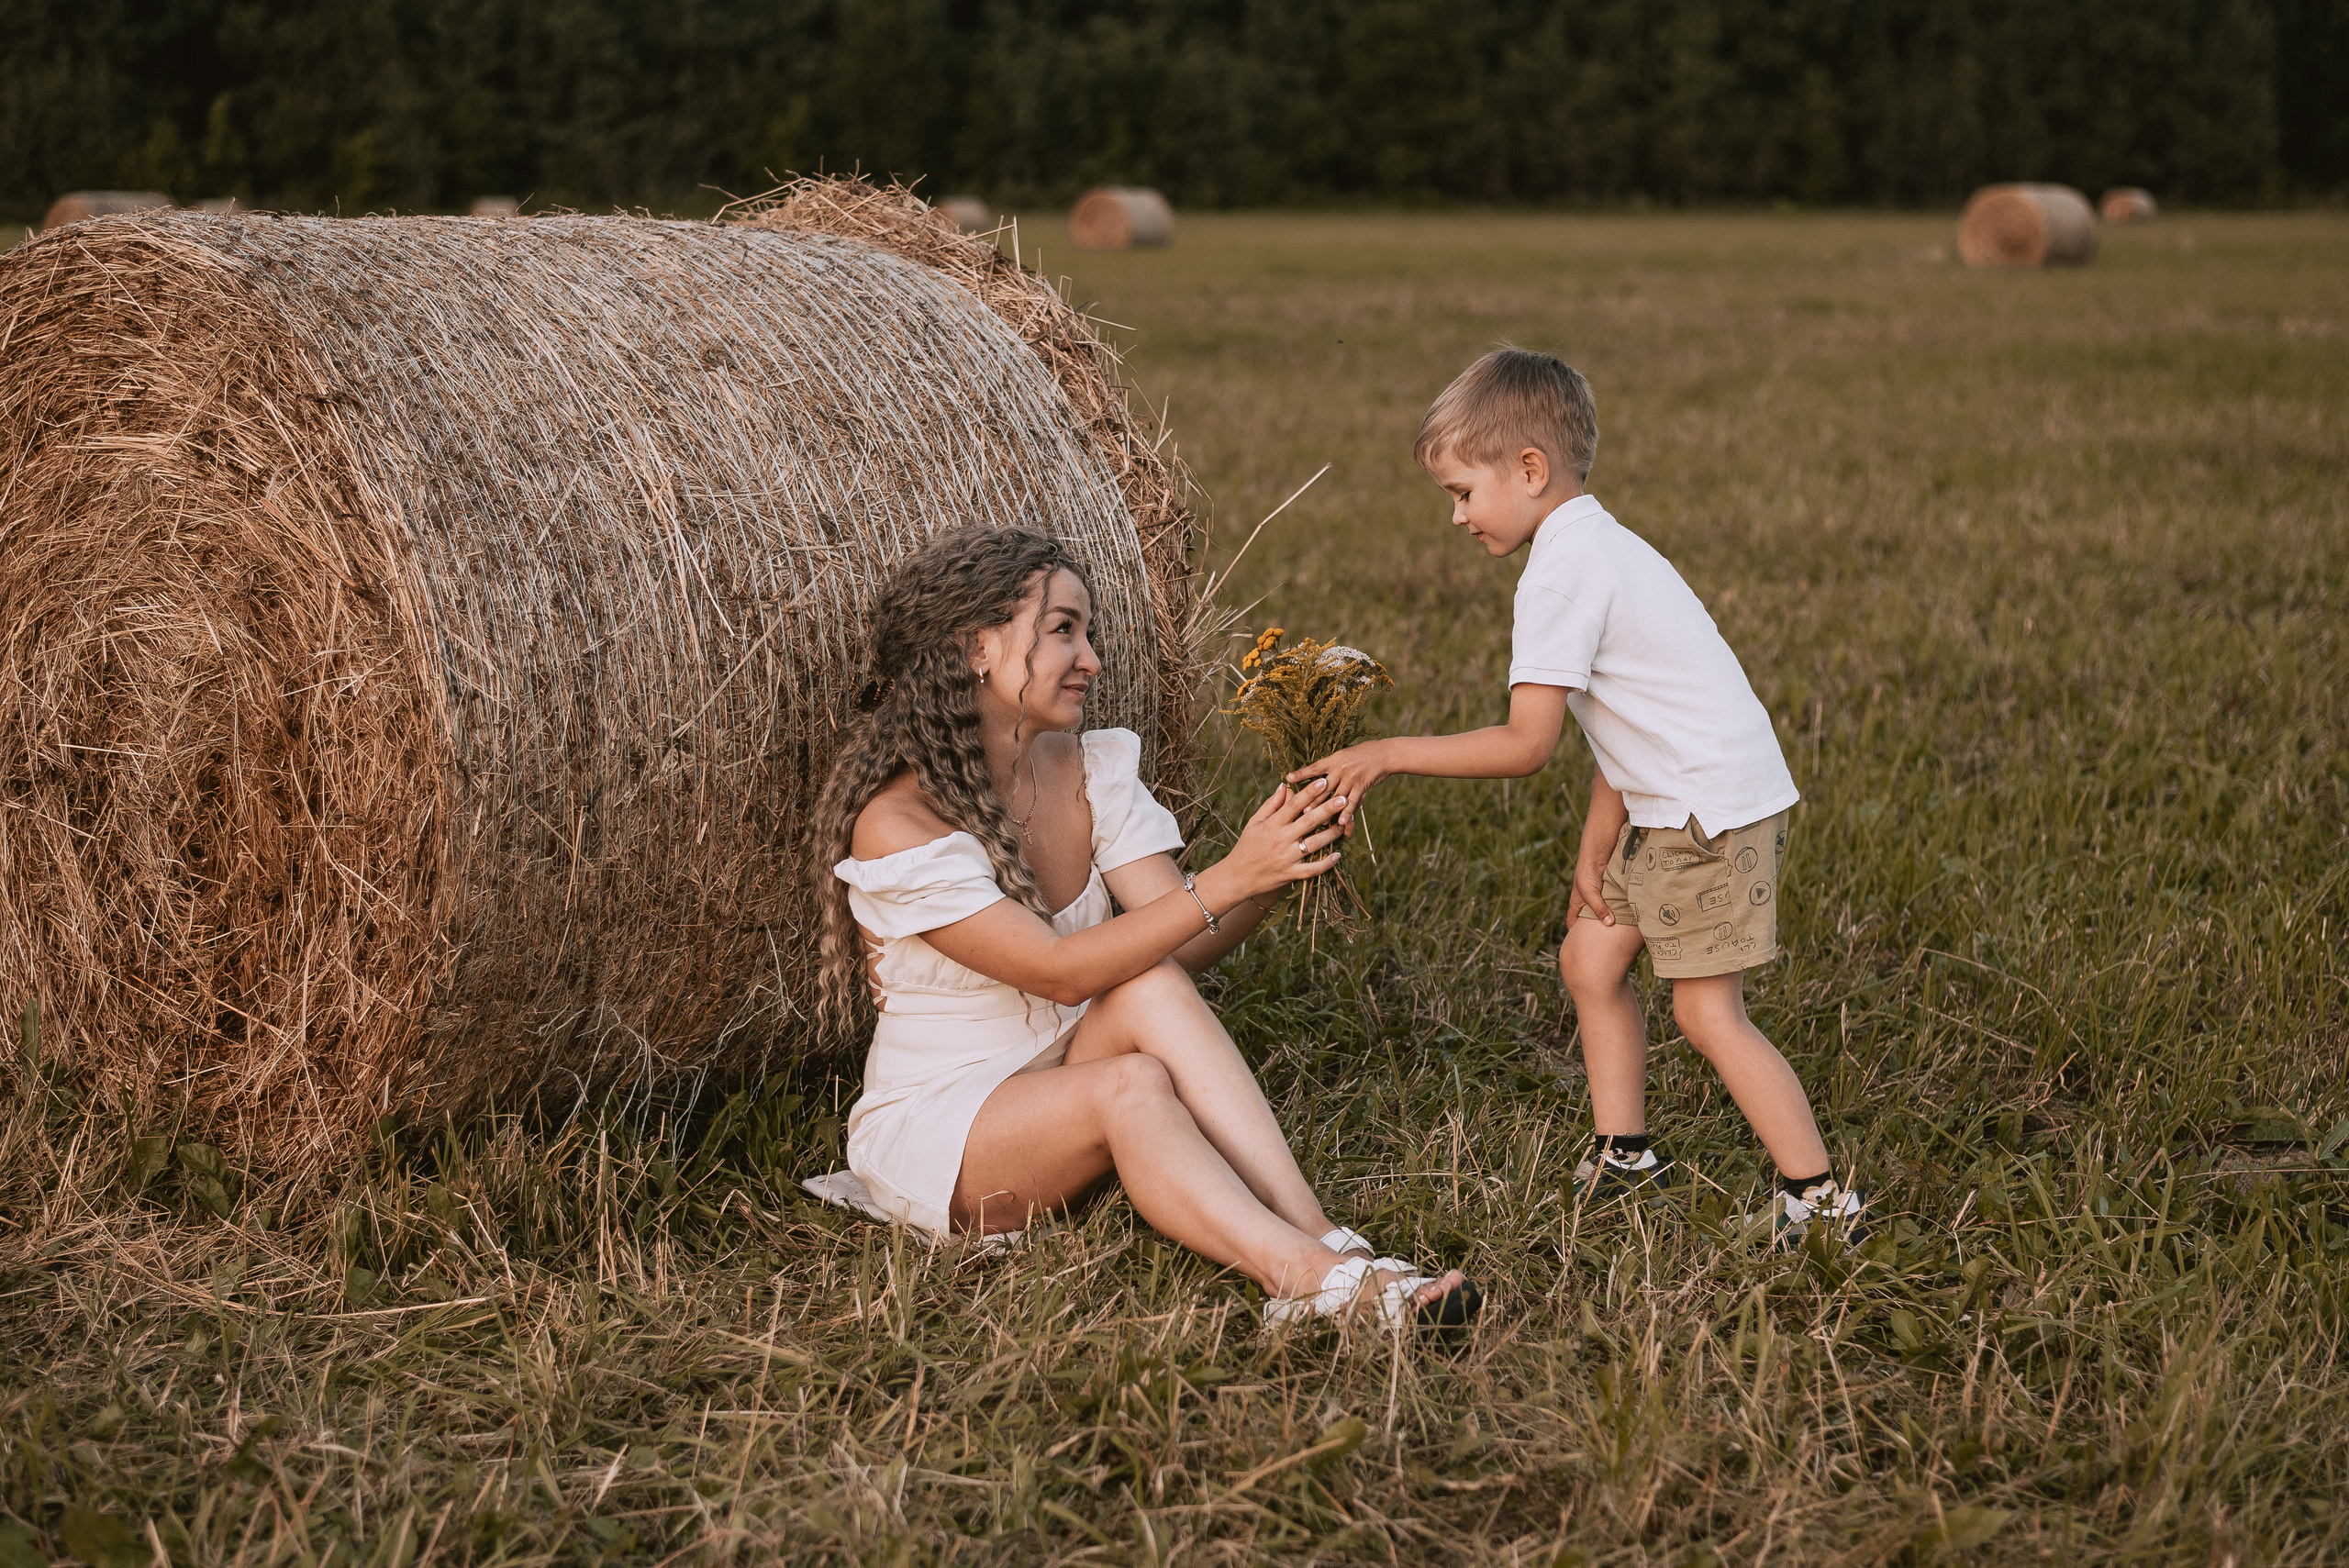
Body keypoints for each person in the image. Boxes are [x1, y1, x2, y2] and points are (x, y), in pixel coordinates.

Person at [806, 524, 1482, 1333]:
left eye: (1087, 632)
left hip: (1061, 1062)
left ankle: (1324, 1231)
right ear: (978, 646)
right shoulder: (898, 822)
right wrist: (1230, 874)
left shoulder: (1086, 766)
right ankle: (1307, 1281)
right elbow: (1058, 971)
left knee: (1152, 979)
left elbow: (1180, 938)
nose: (1090, 657)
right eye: (1063, 630)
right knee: (1132, 1084)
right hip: (948, 1125)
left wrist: (1275, 869)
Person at [1293, 348, 1866, 1243]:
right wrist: (1596, 846)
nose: (1454, 515)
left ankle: (1821, 1200)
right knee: (1590, 960)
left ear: (1529, 470)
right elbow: (1626, 722)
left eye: (1460, 491)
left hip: (1707, 808)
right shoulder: (1601, 543)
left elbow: (1528, 745)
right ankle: (1623, 1153)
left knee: (1706, 1011)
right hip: (1673, 793)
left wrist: (1385, 752)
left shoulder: (1562, 569)